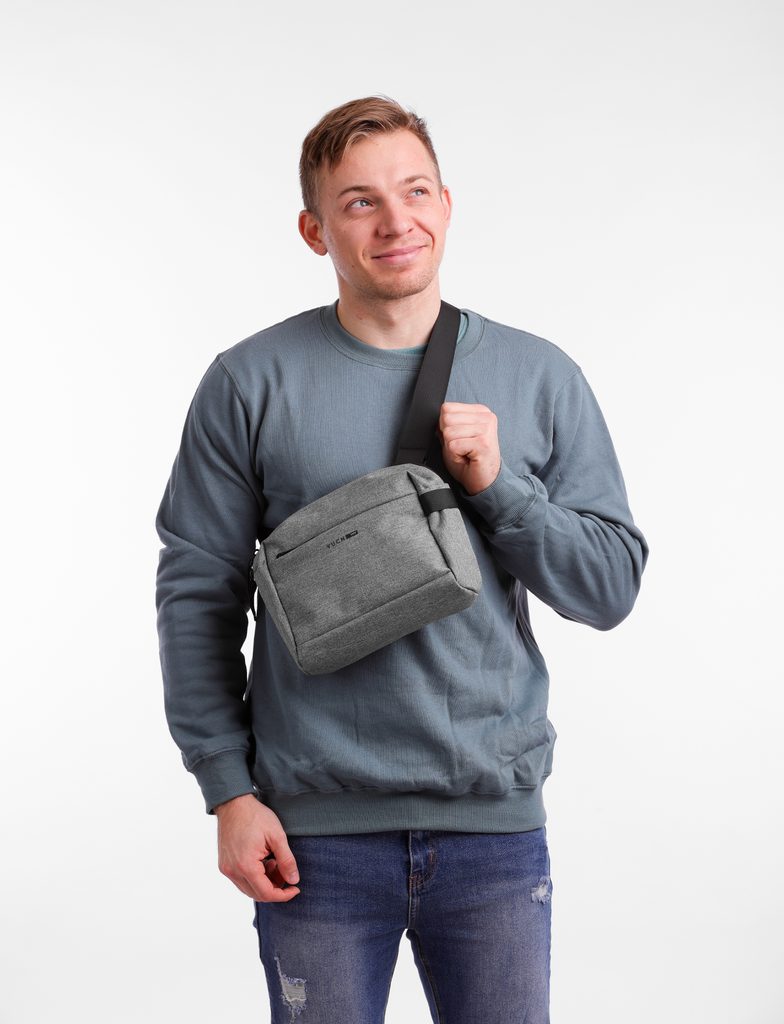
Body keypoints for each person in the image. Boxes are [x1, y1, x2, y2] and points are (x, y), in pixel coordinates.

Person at [154, 94, 649, 1024]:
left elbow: (610, 586)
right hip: (313, 834)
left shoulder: (540, 375)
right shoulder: (249, 382)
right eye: (360, 201)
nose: (396, 221)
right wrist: (227, 792)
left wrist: (500, 488)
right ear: (315, 230)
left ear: (447, 205)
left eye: (415, 191)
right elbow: (197, 593)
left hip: (493, 829)